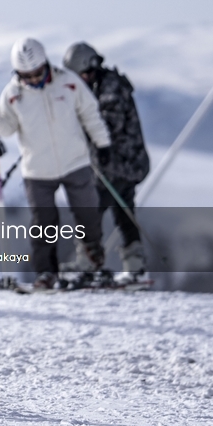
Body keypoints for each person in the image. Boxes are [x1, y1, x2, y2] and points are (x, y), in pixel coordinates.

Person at [0, 37, 111, 290]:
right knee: (44, 223)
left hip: (75, 161)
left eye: (37, 73)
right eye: (27, 76)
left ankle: (93, 260)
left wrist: (103, 143)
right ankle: (45, 273)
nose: (33, 79)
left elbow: (90, 113)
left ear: (45, 64)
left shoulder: (68, 82)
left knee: (87, 213)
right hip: (37, 170)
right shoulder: (12, 94)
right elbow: (7, 128)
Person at [63, 42, 150, 284]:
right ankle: (135, 264)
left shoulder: (110, 89)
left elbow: (107, 128)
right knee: (123, 212)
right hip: (125, 163)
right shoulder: (103, 85)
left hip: (118, 165)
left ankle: (88, 261)